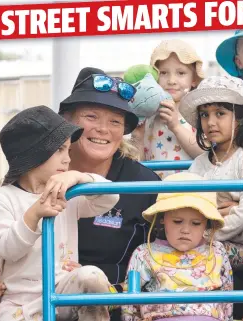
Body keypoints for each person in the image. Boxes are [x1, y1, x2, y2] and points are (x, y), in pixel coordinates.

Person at [0, 105, 120, 321]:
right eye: (59, 150)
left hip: (63, 291)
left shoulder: (68, 194)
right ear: (35, 154)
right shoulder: (2, 198)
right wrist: (34, 214)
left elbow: (109, 197)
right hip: (20, 304)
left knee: (92, 275)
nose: (67, 159)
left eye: (68, 151)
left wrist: (78, 178)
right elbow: (7, 249)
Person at [59, 67, 161, 321]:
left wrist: (97, 279)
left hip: (116, 304)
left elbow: (159, 259)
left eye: (115, 121)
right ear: (66, 120)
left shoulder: (144, 184)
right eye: (91, 116)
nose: (103, 129)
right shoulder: (39, 173)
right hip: (38, 297)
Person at [179, 75, 243, 319]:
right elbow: (187, 206)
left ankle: (221, 314)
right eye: (205, 115)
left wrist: (205, 232)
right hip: (201, 244)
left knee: (207, 252)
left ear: (240, 118)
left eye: (220, 113)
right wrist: (222, 210)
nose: (210, 122)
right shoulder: (199, 165)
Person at [119, 172, 233, 321]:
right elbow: (130, 305)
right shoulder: (144, 253)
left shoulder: (217, 251)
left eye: (196, 223)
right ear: (162, 218)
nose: (185, 230)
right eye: (177, 221)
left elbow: (227, 296)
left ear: (207, 223)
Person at [131, 39, 204, 178]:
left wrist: (176, 126)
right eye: (163, 73)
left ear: (194, 79)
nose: (171, 80)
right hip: (154, 192)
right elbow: (136, 164)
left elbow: (205, 154)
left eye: (181, 73)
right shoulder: (147, 114)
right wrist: (138, 137)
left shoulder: (200, 113)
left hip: (190, 191)